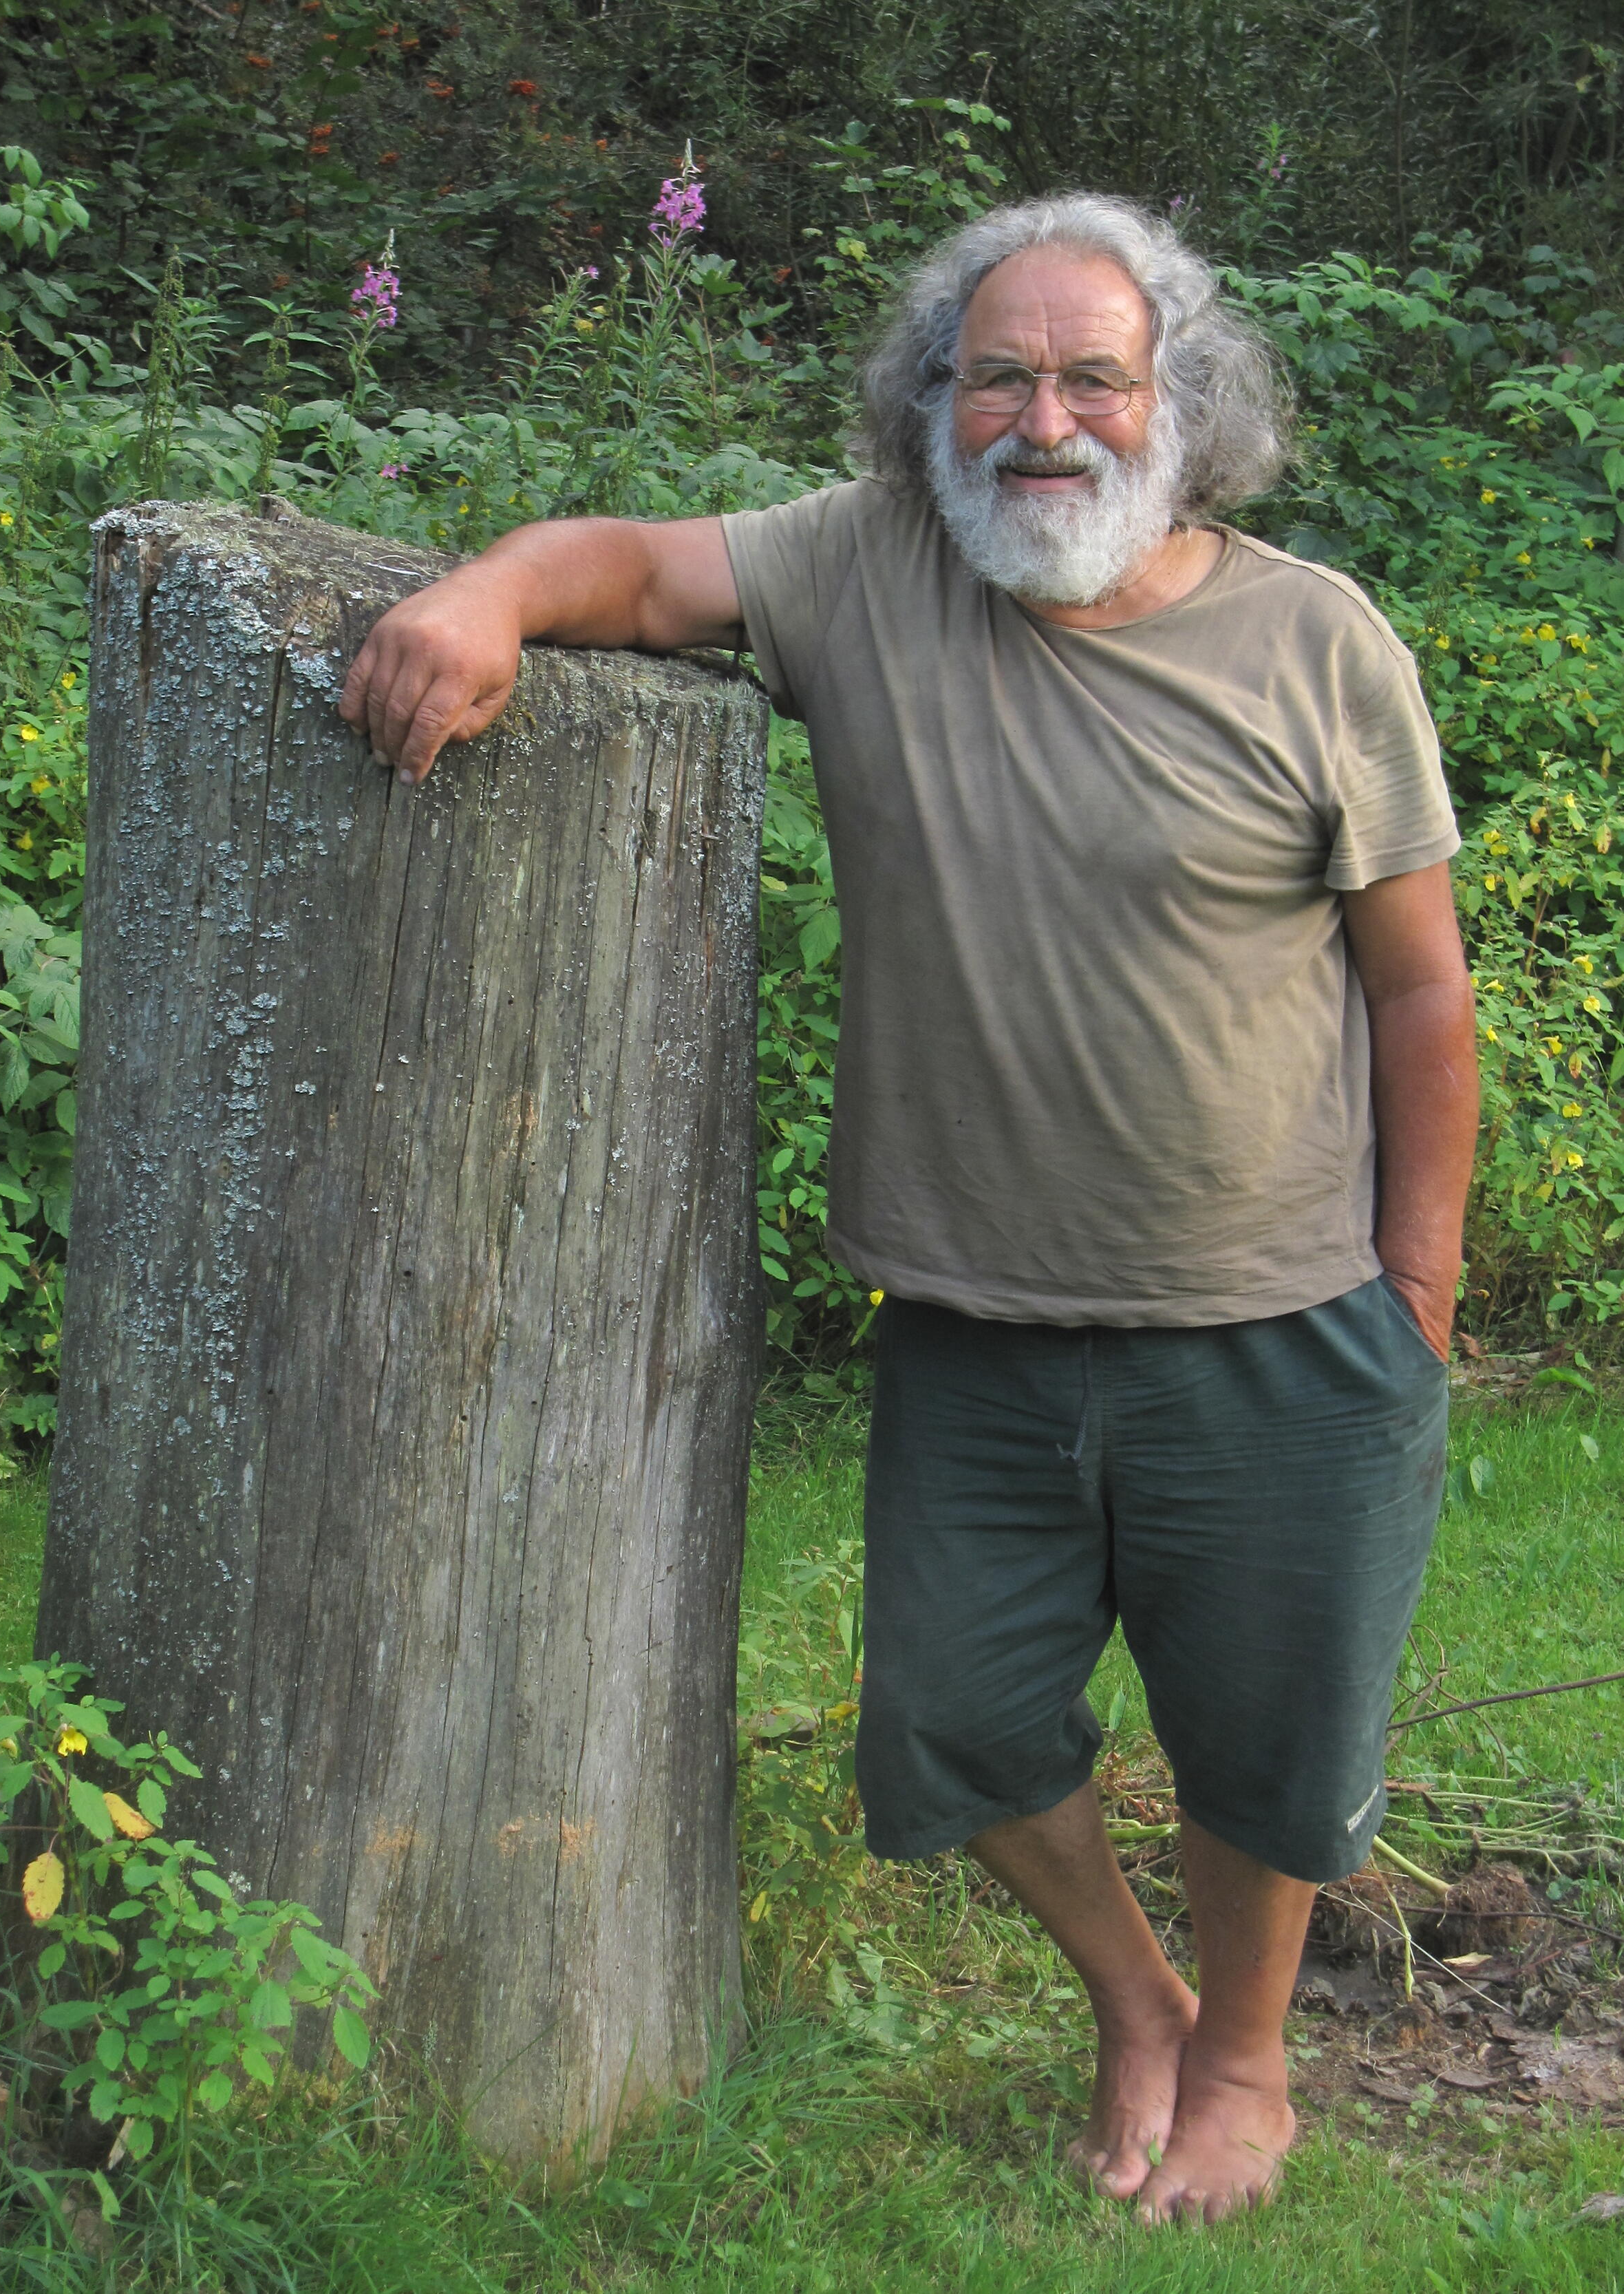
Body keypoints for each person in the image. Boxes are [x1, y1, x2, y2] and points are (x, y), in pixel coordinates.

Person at [339, 192, 1477, 2226]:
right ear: (932, 401)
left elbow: (1416, 985)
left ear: (1178, 403)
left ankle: (1237, 2059)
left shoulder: (1317, 641)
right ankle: (1132, 2005)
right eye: (998, 376)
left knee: (1270, 1748)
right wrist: (490, 595)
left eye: (1091, 378)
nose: (1044, 420)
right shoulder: (864, 573)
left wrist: (1414, 1283)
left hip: (1286, 1318)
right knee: (948, 1724)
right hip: (978, 1321)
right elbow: (629, 564)